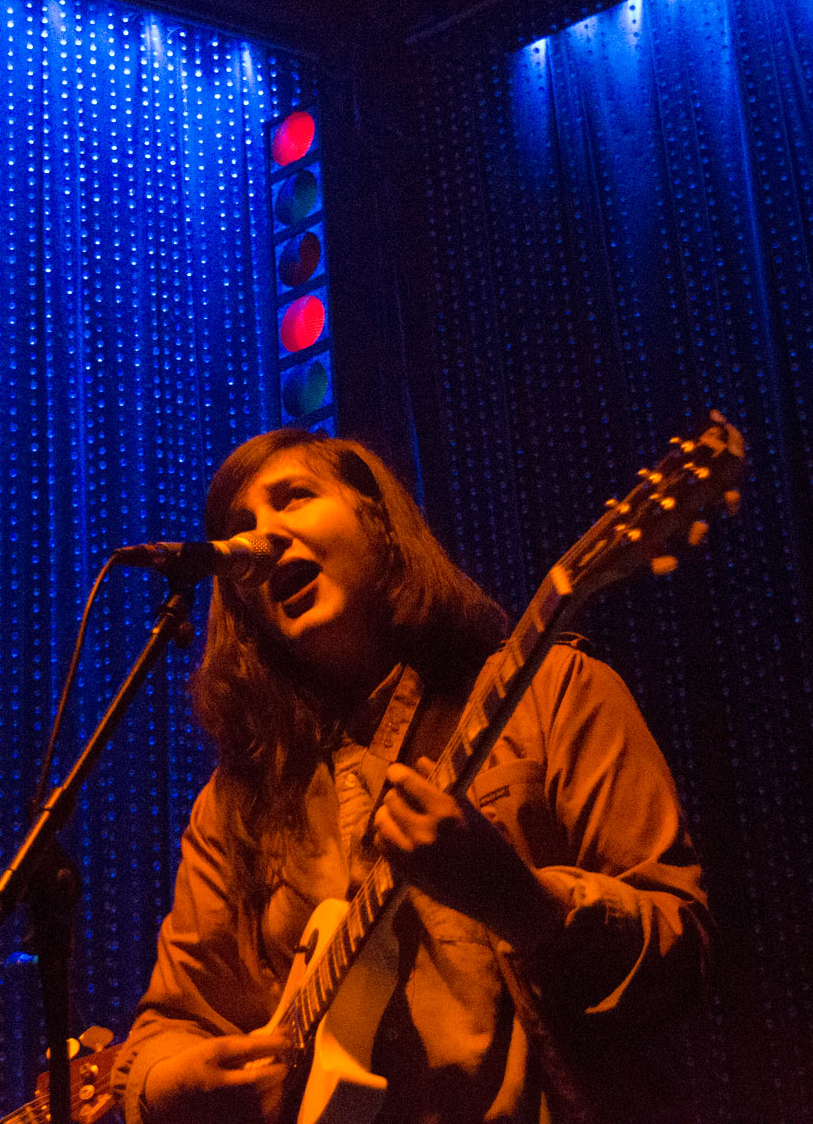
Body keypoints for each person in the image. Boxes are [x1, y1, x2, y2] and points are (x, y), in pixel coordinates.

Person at [111, 429, 712, 1124]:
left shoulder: (554, 694)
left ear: (377, 519)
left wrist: (520, 900)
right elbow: (172, 1022)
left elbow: (684, 954)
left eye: (294, 499)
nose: (262, 538)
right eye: (240, 528)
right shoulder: (234, 806)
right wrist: (170, 1082)